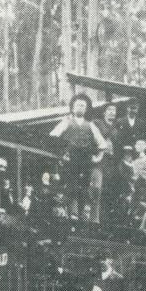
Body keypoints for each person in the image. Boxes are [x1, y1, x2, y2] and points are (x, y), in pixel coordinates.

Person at [50, 94, 108, 223]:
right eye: (77, 105)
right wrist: (62, 154)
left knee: (85, 187)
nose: (80, 107)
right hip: (71, 160)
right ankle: (73, 214)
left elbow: (102, 144)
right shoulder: (67, 122)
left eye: (83, 105)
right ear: (72, 107)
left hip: (86, 161)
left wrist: (97, 158)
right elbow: (53, 136)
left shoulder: (90, 125)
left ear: (86, 109)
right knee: (71, 186)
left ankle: (83, 215)